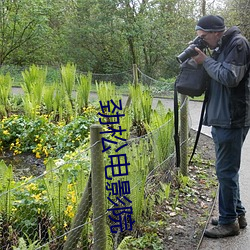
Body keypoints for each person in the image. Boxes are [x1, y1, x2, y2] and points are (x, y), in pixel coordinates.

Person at [192, 15, 250, 238]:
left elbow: (229, 77)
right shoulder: (221, 46)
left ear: (216, 32)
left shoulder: (238, 44)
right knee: (227, 171)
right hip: (222, 117)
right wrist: (202, 59)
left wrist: (205, 61)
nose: (203, 41)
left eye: (204, 37)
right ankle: (237, 214)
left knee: (225, 171)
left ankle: (228, 223)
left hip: (232, 118)